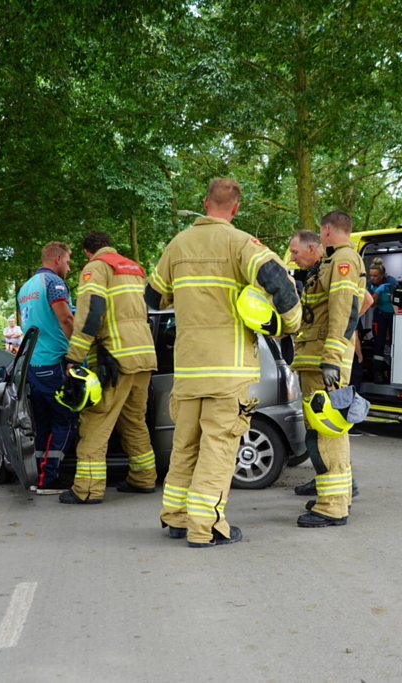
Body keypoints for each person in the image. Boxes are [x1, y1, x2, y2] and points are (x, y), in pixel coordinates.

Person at [146, 177, 301, 547]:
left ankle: (176, 517)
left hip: (187, 371)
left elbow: (152, 296)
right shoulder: (240, 243)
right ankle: (206, 528)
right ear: (235, 208)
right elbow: (279, 282)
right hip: (227, 370)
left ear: (204, 202)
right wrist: (288, 325)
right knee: (218, 449)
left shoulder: (177, 244)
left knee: (185, 446)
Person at [59, 231, 158, 505]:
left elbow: (91, 313)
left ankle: (87, 490)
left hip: (116, 358)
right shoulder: (134, 269)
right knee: (134, 421)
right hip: (144, 356)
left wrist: (74, 356)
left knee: (95, 423)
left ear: (87, 252)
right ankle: (143, 478)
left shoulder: (96, 269)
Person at [290, 210, 366, 528]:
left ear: (326, 231)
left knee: (327, 433)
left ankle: (332, 506)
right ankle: (335, 496)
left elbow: (344, 309)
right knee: (325, 432)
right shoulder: (332, 260)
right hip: (316, 358)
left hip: (324, 361)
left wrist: (333, 357)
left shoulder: (343, 260)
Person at [16, 241, 76, 494]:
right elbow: (65, 318)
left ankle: (40, 475)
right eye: (69, 262)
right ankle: (49, 479)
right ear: (57, 259)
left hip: (33, 363)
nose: (70, 268)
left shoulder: (25, 288)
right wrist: (78, 351)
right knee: (65, 421)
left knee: (43, 423)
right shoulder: (53, 283)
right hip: (53, 362)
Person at [367, 258, 399, 383]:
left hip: (392, 315)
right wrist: (377, 292)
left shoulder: (391, 282)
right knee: (378, 344)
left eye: (376, 276)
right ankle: (378, 372)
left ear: (382, 275)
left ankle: (393, 371)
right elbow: (372, 304)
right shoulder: (370, 284)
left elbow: (397, 302)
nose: (373, 278)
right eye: (371, 275)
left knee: (393, 342)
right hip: (379, 314)